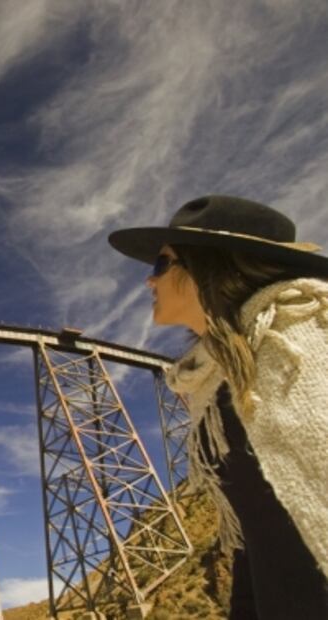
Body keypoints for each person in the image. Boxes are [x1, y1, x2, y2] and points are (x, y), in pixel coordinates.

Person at [108, 195, 328, 618]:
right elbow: (256, 540)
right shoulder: (214, 382)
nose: (148, 281)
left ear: (209, 264)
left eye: (160, 265)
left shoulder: (302, 338)